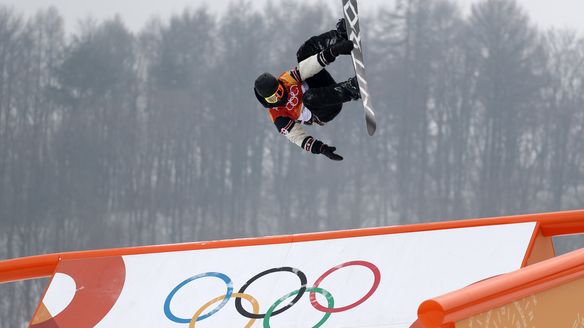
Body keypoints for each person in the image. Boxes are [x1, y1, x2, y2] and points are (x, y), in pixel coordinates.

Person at [254, 19, 361, 161]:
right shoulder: (278, 116)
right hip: (323, 110)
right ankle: (350, 90)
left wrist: (334, 51)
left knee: (303, 54)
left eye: (279, 91)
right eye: (273, 99)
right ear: (267, 101)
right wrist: (320, 148)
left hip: (322, 86)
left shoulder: (287, 80)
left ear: (280, 84)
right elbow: (297, 137)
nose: (279, 98)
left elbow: (309, 66)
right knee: (309, 97)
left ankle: (340, 37)